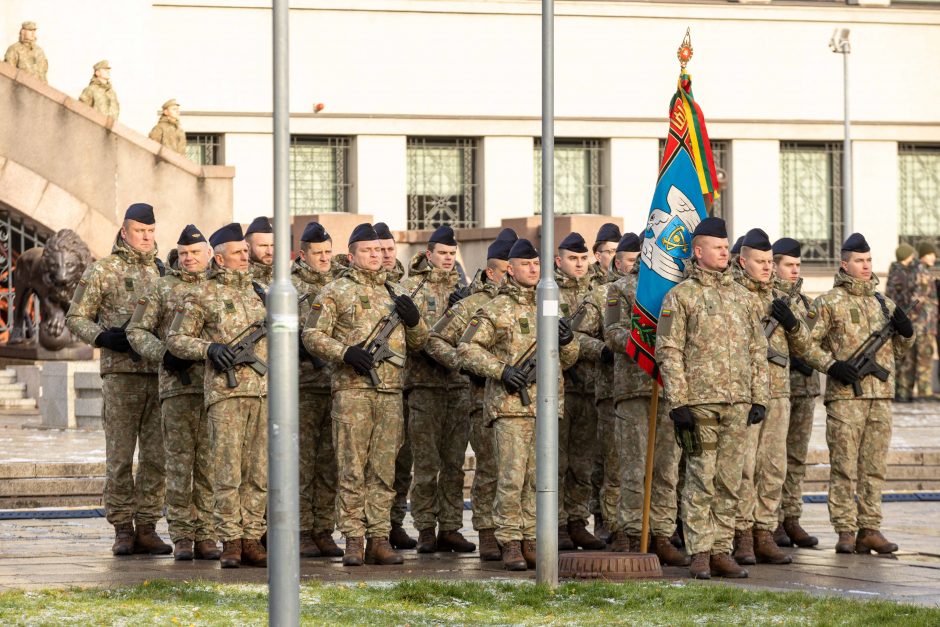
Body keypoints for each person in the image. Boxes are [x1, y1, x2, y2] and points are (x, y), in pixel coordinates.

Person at [303, 223, 428, 566]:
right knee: (352, 468)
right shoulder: (335, 291)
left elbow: (420, 343)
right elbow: (312, 335)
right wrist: (345, 353)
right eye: (367, 251)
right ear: (351, 255)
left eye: (379, 251)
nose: (375, 256)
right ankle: (354, 539)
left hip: (390, 393)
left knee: (384, 469)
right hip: (353, 391)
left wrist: (415, 321)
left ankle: (378, 537)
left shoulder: (396, 291)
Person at [655, 217, 769, 580]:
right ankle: (700, 551)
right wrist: (678, 401)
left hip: (738, 401)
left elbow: (757, 349)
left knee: (730, 481)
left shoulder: (743, 297)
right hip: (699, 402)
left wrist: (759, 397)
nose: (725, 253)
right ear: (698, 251)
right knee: (701, 480)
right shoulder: (681, 296)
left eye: (726, 247)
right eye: (718, 248)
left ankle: (722, 550)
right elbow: (669, 350)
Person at [458, 238, 580, 570]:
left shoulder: (551, 304)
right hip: (511, 407)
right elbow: (466, 349)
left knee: (538, 478)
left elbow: (566, 359)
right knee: (511, 477)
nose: (533, 269)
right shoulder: (496, 308)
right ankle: (509, 539)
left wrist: (568, 343)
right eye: (526, 265)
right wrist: (501, 370)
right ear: (509, 270)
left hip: (547, 405)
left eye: (537, 264)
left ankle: (531, 538)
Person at [66, 203, 170, 556]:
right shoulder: (103, 271)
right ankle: (123, 527)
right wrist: (101, 337)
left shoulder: (163, 271)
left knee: (158, 457)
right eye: (140, 231)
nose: (146, 238)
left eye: (151, 231)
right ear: (124, 232)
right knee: (121, 455)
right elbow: (76, 316)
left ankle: (148, 526)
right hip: (122, 375)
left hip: (158, 375)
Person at [166, 223, 270, 569]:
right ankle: (231, 540)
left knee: (258, 472)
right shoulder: (202, 294)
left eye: (246, 250)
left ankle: (253, 537)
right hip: (225, 395)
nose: (247, 256)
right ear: (221, 259)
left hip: (261, 393)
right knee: (226, 473)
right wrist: (209, 348)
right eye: (240, 252)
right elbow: (177, 339)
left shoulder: (260, 292)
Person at [806, 233, 915, 554]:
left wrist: (907, 333)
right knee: (844, 465)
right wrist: (831, 365)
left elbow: (897, 352)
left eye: (868, 260)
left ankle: (870, 527)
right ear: (844, 264)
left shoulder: (884, 303)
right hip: (845, 398)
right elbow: (804, 344)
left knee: (874, 466)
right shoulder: (828, 303)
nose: (866, 266)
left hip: (879, 396)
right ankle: (844, 530)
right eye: (859, 261)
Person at [731, 229, 826, 567]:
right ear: (743, 262)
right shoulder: (732, 294)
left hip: (779, 392)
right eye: (761, 261)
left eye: (770, 261)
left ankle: (764, 532)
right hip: (745, 394)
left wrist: (794, 325)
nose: (768, 267)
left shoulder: (781, 297)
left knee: (774, 465)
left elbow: (805, 346)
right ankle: (741, 535)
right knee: (745, 466)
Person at [127, 224, 219, 561]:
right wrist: (164, 354)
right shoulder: (160, 288)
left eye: (195, 253)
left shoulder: (219, 288)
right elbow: (136, 330)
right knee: (178, 463)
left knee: (209, 463)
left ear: (210, 255)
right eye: (183, 254)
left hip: (214, 389)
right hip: (176, 389)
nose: (189, 258)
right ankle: (181, 534)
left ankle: (207, 533)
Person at [426, 227, 517, 561]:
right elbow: (435, 339)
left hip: (524, 402)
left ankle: (522, 534)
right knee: (491, 468)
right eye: (507, 269)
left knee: (522, 472)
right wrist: (461, 362)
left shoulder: (535, 303)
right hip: (483, 401)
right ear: (492, 271)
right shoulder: (472, 305)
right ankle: (488, 531)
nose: (514, 274)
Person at [603, 233, 689, 566]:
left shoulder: (677, 289)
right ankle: (630, 531)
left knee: (667, 468)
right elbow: (611, 333)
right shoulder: (622, 289)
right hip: (633, 387)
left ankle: (662, 534)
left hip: (670, 389)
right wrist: (642, 342)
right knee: (633, 467)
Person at [402, 226, 475, 554]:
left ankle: (451, 526)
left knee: (454, 464)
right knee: (427, 464)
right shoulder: (412, 287)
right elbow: (416, 337)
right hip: (424, 386)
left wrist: (465, 306)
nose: (447, 259)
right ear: (428, 254)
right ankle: (425, 528)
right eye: (442, 254)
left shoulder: (465, 287)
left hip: (458, 387)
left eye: (451, 254)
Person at [293, 222, 344, 559]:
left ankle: (324, 528)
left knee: (329, 463)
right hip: (303, 386)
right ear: (303, 254)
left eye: (328, 252)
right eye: (318, 253)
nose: (325, 258)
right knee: (302, 463)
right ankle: (301, 529)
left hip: (336, 386)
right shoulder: (290, 287)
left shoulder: (341, 284)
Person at [555, 232, 606, 551]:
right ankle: (557, 523)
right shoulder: (546, 292)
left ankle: (577, 520)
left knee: (583, 463)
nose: (579, 263)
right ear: (558, 260)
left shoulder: (598, 292)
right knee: (557, 461)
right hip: (559, 390)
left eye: (582, 258)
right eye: (572, 258)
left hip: (590, 388)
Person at [769, 237, 821, 550]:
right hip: (777, 389)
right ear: (774, 264)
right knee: (772, 458)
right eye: (789, 264)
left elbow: (816, 341)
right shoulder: (769, 298)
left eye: (797, 265)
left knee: (796, 458)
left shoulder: (806, 302)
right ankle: (771, 520)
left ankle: (791, 516)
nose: (794, 270)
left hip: (804, 390)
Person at [577, 227, 625, 543]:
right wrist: (602, 350)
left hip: (633, 388)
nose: (619, 259)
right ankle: (604, 521)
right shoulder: (596, 292)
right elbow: (577, 336)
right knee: (599, 462)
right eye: (611, 252)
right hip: (597, 387)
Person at [373, 222, 414, 549]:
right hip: (366, 387)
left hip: (404, 387)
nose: (385, 255)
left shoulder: (406, 287)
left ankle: (393, 522)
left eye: (389, 249)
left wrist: (414, 320)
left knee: (399, 465)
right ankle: (369, 531)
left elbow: (424, 338)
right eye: (379, 250)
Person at [886, 243, 919, 402]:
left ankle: (902, 392)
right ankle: (903, 393)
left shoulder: (899, 272)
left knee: (904, 359)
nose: (914, 258)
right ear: (906, 256)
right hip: (901, 319)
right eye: (911, 255)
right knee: (905, 359)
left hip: (901, 318)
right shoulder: (900, 275)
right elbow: (899, 299)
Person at [910, 243, 938, 400]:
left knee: (916, 358)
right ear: (923, 255)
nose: (934, 257)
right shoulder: (923, 273)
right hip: (924, 324)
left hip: (921, 323)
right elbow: (918, 299)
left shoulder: (919, 271)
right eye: (931, 254)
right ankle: (924, 392)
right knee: (925, 358)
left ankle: (916, 391)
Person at [245, 217, 274, 288]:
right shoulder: (240, 277)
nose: (269, 252)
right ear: (247, 247)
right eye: (263, 246)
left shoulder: (286, 278)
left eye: (273, 245)